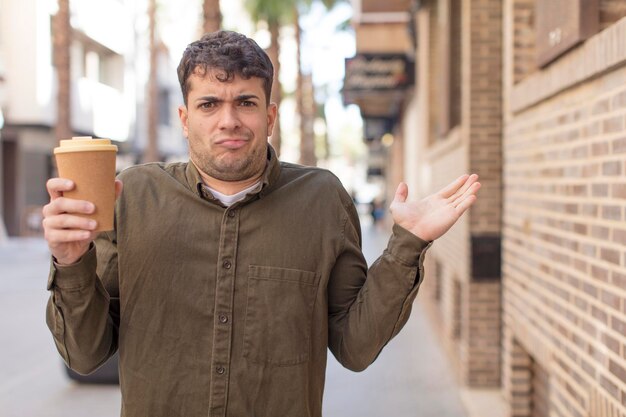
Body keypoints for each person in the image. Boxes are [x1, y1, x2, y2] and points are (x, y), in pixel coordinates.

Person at [43, 31, 480, 417]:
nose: (228, 120)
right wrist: (70, 262)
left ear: (269, 117)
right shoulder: (132, 196)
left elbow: (355, 346)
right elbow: (86, 354)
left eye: (245, 103)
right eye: (209, 104)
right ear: (185, 118)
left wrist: (409, 242)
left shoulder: (322, 199)